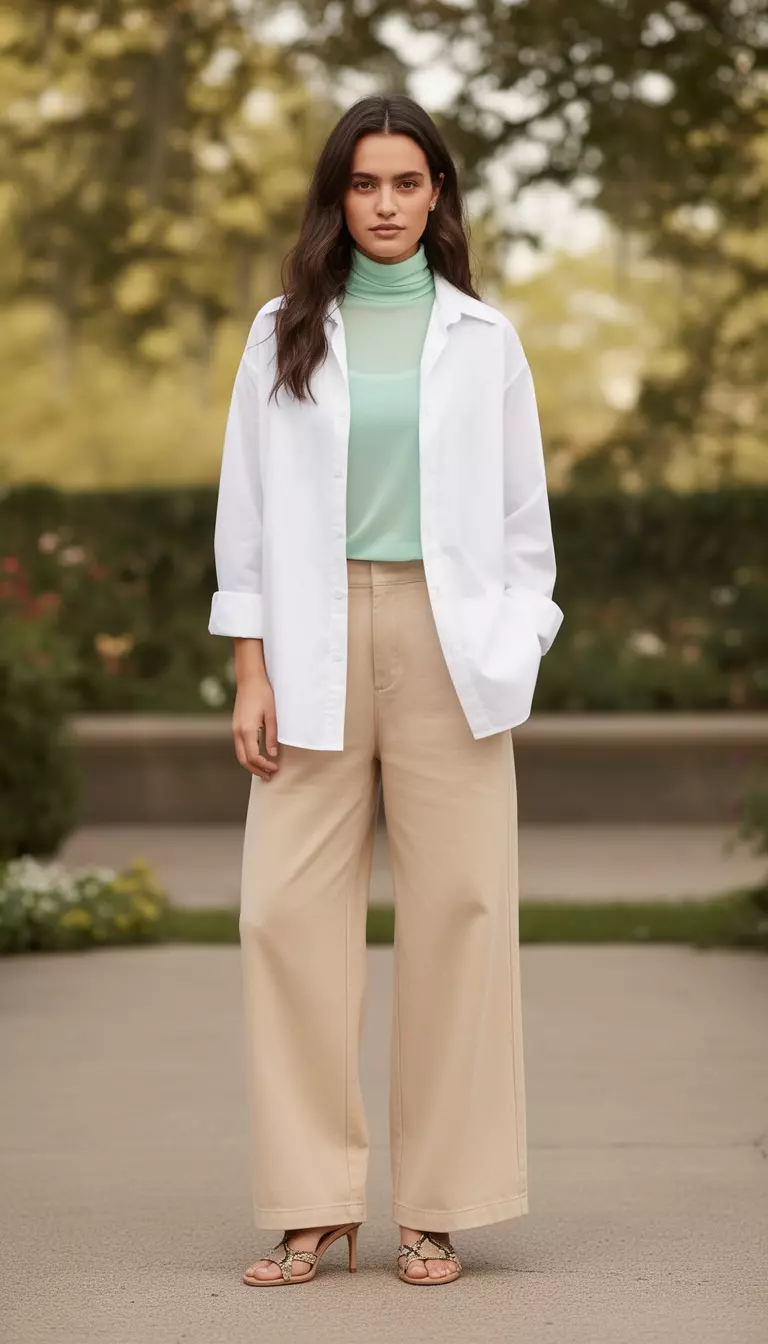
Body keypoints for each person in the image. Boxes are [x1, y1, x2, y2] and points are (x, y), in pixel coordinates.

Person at [208, 92, 563, 1287]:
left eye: (408, 182)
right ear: (337, 197)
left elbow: (524, 524)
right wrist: (249, 667)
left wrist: (513, 646)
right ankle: (312, 1203)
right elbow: (246, 511)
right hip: (310, 636)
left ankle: (441, 1207)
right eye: (365, 183)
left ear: (437, 194)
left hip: (446, 643)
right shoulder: (281, 332)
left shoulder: (486, 340)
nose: (387, 204)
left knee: (463, 913)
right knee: (282, 914)